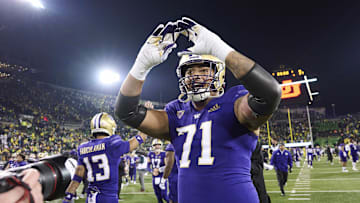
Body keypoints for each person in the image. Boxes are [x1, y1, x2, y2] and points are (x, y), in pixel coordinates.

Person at [114, 17, 281, 203]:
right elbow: (126, 112)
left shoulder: (234, 102)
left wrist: (220, 49)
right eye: (190, 72)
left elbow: (270, 94)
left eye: (203, 70)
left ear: (219, 73)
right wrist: (140, 67)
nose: (196, 77)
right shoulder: (177, 113)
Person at [62, 112, 147, 203]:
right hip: (107, 197)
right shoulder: (112, 144)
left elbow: (78, 175)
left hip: (91, 197)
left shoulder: (83, 148)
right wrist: (146, 119)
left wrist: (69, 195)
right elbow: (139, 139)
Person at [148, 139, 169, 203]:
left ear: (161, 146)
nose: (157, 147)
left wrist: (159, 170)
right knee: (158, 196)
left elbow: (167, 166)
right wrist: (152, 171)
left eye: (158, 145)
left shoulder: (164, 154)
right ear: (153, 146)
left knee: (164, 195)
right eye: (155, 145)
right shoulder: (150, 154)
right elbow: (147, 166)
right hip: (154, 177)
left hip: (162, 176)